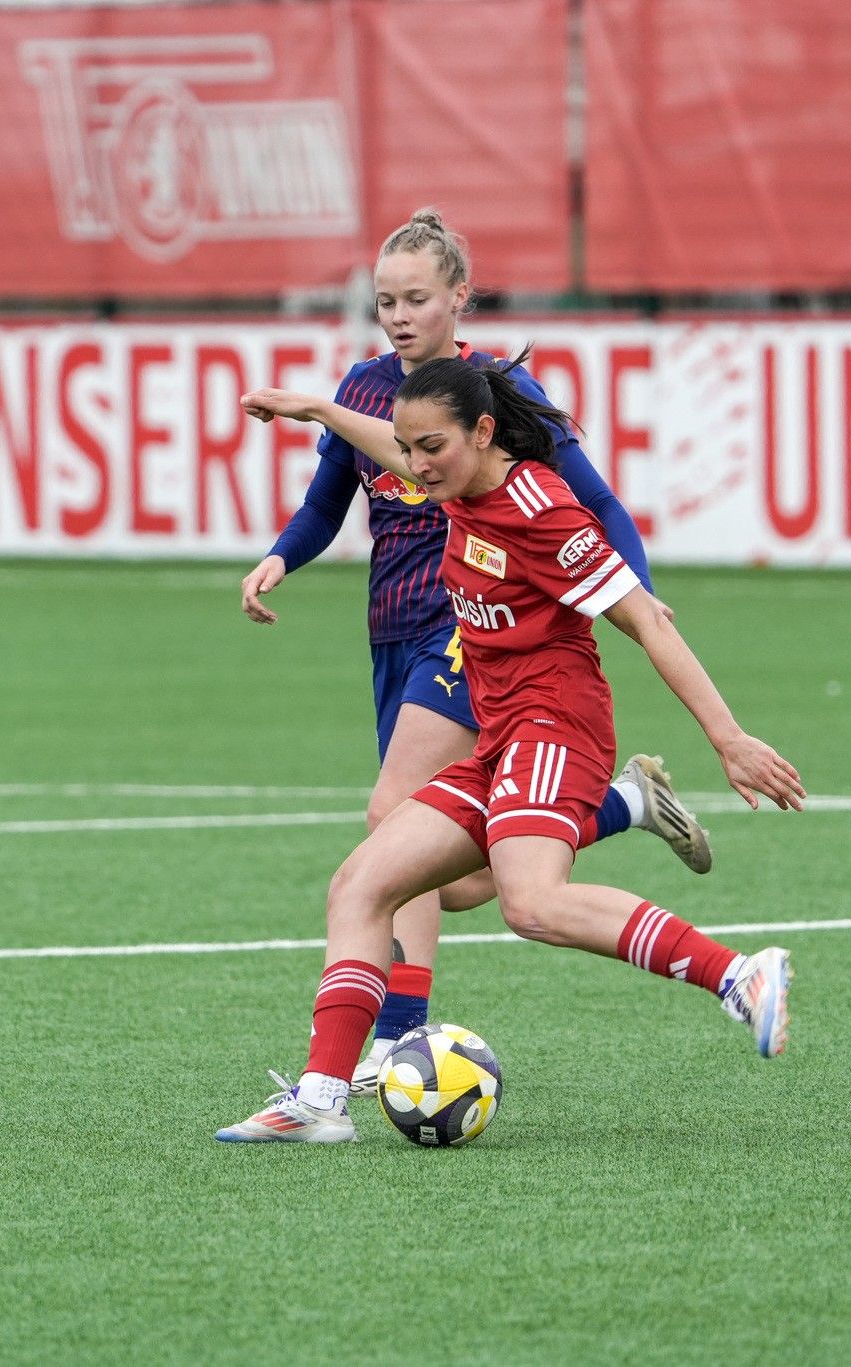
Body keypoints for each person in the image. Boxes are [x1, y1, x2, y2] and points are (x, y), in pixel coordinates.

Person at [218, 352, 805, 1143]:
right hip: (501, 739)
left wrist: (728, 737)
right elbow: (392, 450)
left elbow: (648, 621)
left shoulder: (541, 511)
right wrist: (317, 410)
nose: (416, 467)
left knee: (529, 901)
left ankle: (739, 974)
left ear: (484, 431)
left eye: (432, 449)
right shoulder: (454, 477)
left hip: (558, 728)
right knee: (364, 883)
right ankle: (320, 1101)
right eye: (410, 447)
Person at [238, 209, 710, 1093]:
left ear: (460, 295)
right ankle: (622, 805)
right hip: (392, 628)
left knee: (391, 810)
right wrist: (278, 557)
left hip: (469, 629)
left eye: (417, 297)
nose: (400, 315)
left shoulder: (491, 395)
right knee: (455, 879)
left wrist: (635, 590)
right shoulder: (366, 387)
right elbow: (324, 502)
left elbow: (597, 503)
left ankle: (397, 1035)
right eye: (385, 301)